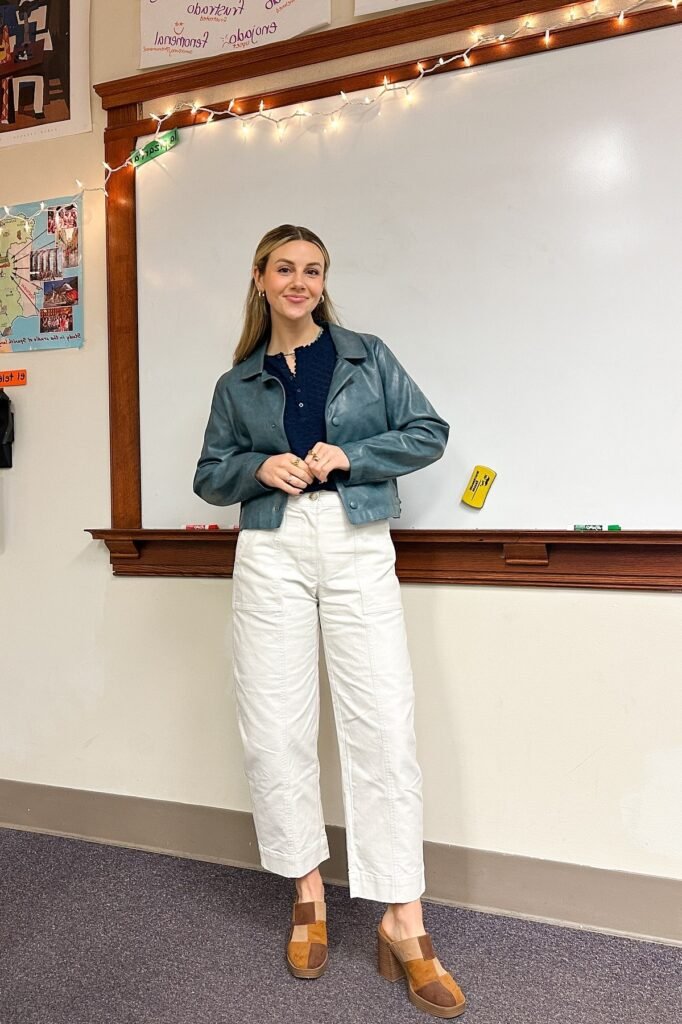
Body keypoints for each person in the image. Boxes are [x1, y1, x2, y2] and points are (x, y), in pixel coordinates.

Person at [194, 224, 466, 1018]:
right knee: (275, 724)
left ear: (323, 280)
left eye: (313, 270)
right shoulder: (236, 382)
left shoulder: (365, 354)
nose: (300, 282)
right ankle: (307, 893)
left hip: (355, 539)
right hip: (272, 547)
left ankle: (402, 918)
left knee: (382, 723)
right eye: (286, 268)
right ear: (260, 277)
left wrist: (351, 457)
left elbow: (428, 432)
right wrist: (256, 467)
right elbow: (212, 474)